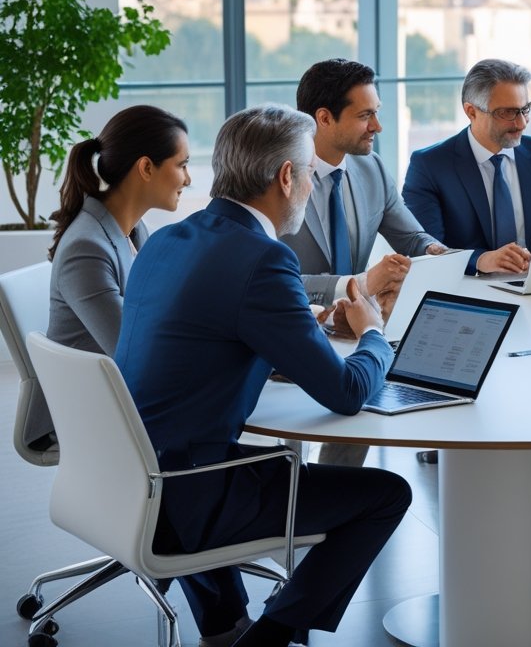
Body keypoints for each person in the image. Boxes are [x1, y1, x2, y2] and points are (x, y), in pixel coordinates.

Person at [115, 104, 411, 647]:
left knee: (227, 453)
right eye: (309, 177)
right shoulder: (263, 258)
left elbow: (205, 338)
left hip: (127, 477)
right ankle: (268, 639)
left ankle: (224, 627)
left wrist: (304, 328)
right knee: (386, 494)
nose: (309, 191)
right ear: (285, 177)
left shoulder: (164, 239)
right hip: (188, 495)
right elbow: (347, 394)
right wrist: (372, 333)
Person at [281, 57, 446, 467]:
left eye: (377, 113)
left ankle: (333, 499)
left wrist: (433, 255)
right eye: (365, 115)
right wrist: (363, 281)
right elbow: (268, 277)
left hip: (355, 327)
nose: (377, 126)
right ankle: (288, 501)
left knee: (372, 387)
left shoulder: (370, 167)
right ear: (324, 118)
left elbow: (412, 236)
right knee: (289, 445)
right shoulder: (275, 177)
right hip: (290, 330)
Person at [38, 106, 190, 449]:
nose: (188, 178)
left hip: (124, 396)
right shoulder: (87, 248)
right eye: (181, 165)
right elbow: (135, 351)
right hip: (95, 409)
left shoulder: (134, 231)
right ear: (146, 168)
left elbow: (160, 314)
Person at [402, 58, 531, 275]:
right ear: (471, 111)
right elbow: (425, 249)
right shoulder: (430, 165)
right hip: (467, 291)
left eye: (525, 109)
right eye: (507, 113)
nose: (521, 123)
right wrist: (481, 259)